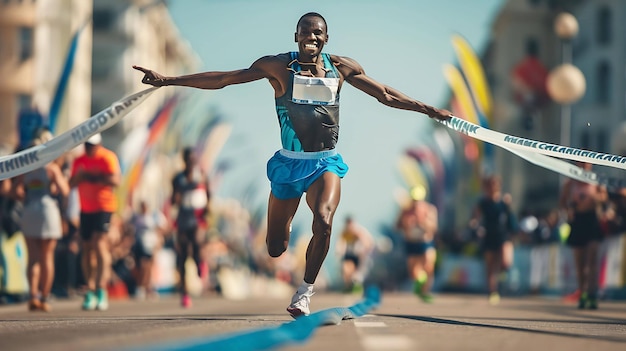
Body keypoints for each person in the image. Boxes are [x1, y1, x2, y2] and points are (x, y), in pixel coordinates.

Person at [133, 12, 451, 317]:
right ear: (295, 36)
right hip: (289, 164)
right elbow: (225, 79)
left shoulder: (340, 68)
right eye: (305, 32)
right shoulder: (279, 66)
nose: (311, 38)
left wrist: (428, 109)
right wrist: (168, 80)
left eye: (317, 33)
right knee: (275, 248)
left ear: (326, 38)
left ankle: (304, 293)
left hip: (324, 162)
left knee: (324, 221)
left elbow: (384, 94)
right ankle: (282, 227)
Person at [11, 129, 70, 311]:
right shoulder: (51, 168)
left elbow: (17, 192)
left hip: (30, 211)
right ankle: (44, 297)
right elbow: (65, 190)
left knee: (33, 258)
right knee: (47, 257)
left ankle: (33, 295)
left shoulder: (26, 169)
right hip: (48, 211)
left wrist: (28, 194)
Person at [69, 133, 121, 311]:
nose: (89, 149)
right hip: (86, 209)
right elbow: (71, 183)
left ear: (99, 144)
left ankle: (101, 289)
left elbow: (116, 180)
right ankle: (90, 289)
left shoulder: (107, 157)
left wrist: (90, 177)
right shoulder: (79, 160)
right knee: (86, 249)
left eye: (92, 146)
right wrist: (81, 176)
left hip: (104, 207)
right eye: (87, 146)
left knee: (99, 245)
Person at [559, 162, 607, 309]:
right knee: (580, 263)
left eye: (587, 164)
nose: (585, 166)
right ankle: (583, 292)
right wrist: (570, 209)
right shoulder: (570, 182)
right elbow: (562, 202)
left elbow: (604, 198)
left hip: (592, 220)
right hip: (578, 221)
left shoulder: (596, 179)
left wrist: (594, 199)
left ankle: (592, 293)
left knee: (592, 261)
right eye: (582, 164)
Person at [170, 147, 211, 308]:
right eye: (189, 159)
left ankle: (199, 262)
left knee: (196, 243)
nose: (192, 162)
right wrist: (178, 198)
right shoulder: (178, 178)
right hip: (183, 218)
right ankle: (185, 294)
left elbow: (209, 195)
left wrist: (207, 209)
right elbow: (173, 199)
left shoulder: (201, 176)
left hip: (198, 218)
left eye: (194, 159)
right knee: (182, 256)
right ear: (185, 160)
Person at [470, 175, 517, 305]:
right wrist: (475, 225)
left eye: (495, 184)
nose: (493, 187)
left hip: (502, 235)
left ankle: (501, 275)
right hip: (489, 235)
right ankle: (493, 291)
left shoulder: (504, 202)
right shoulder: (482, 203)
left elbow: (510, 219)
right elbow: (475, 217)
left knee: (505, 261)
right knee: (490, 266)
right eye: (490, 185)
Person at [396, 194, 438, 303]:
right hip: (411, 242)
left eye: (418, 200)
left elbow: (434, 227)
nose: (416, 203)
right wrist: (406, 223)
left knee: (429, 264)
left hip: (425, 242)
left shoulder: (429, 209)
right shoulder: (405, 211)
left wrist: (422, 221)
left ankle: (425, 291)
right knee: (414, 273)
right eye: (414, 200)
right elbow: (397, 226)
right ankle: (420, 283)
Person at [127, 200, 169, 300]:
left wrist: (158, 238)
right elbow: (129, 228)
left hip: (151, 244)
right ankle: (142, 286)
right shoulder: (136, 216)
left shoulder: (155, 215)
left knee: (147, 265)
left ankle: (145, 286)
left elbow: (164, 228)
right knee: (140, 265)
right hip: (138, 244)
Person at [336, 215, 374, 294]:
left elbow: (368, 243)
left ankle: (356, 286)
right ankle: (348, 286)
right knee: (346, 269)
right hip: (349, 254)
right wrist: (339, 251)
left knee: (357, 273)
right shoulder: (344, 232)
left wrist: (364, 250)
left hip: (360, 255)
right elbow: (340, 243)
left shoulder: (360, 231)